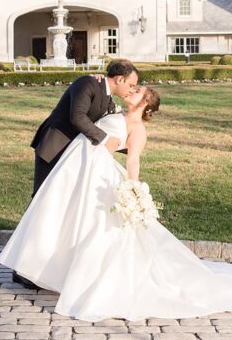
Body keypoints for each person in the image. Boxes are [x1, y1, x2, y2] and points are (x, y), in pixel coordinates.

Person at [0, 84, 232, 322]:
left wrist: (132, 189)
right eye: (134, 87)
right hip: (83, 171)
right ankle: (54, 271)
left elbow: (133, 158)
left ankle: (89, 284)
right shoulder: (117, 112)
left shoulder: (137, 129)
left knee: (96, 230)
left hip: (99, 176)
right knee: (70, 222)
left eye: (138, 92)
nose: (133, 91)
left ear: (145, 105)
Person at [13, 59, 139, 289]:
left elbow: (106, 128)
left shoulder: (106, 97)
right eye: (131, 85)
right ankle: (22, 269)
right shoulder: (87, 84)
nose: (132, 90)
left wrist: (132, 145)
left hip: (73, 157)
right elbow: (77, 117)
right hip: (54, 148)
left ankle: (41, 266)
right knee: (40, 203)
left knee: (56, 208)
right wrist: (103, 139)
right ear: (119, 79)